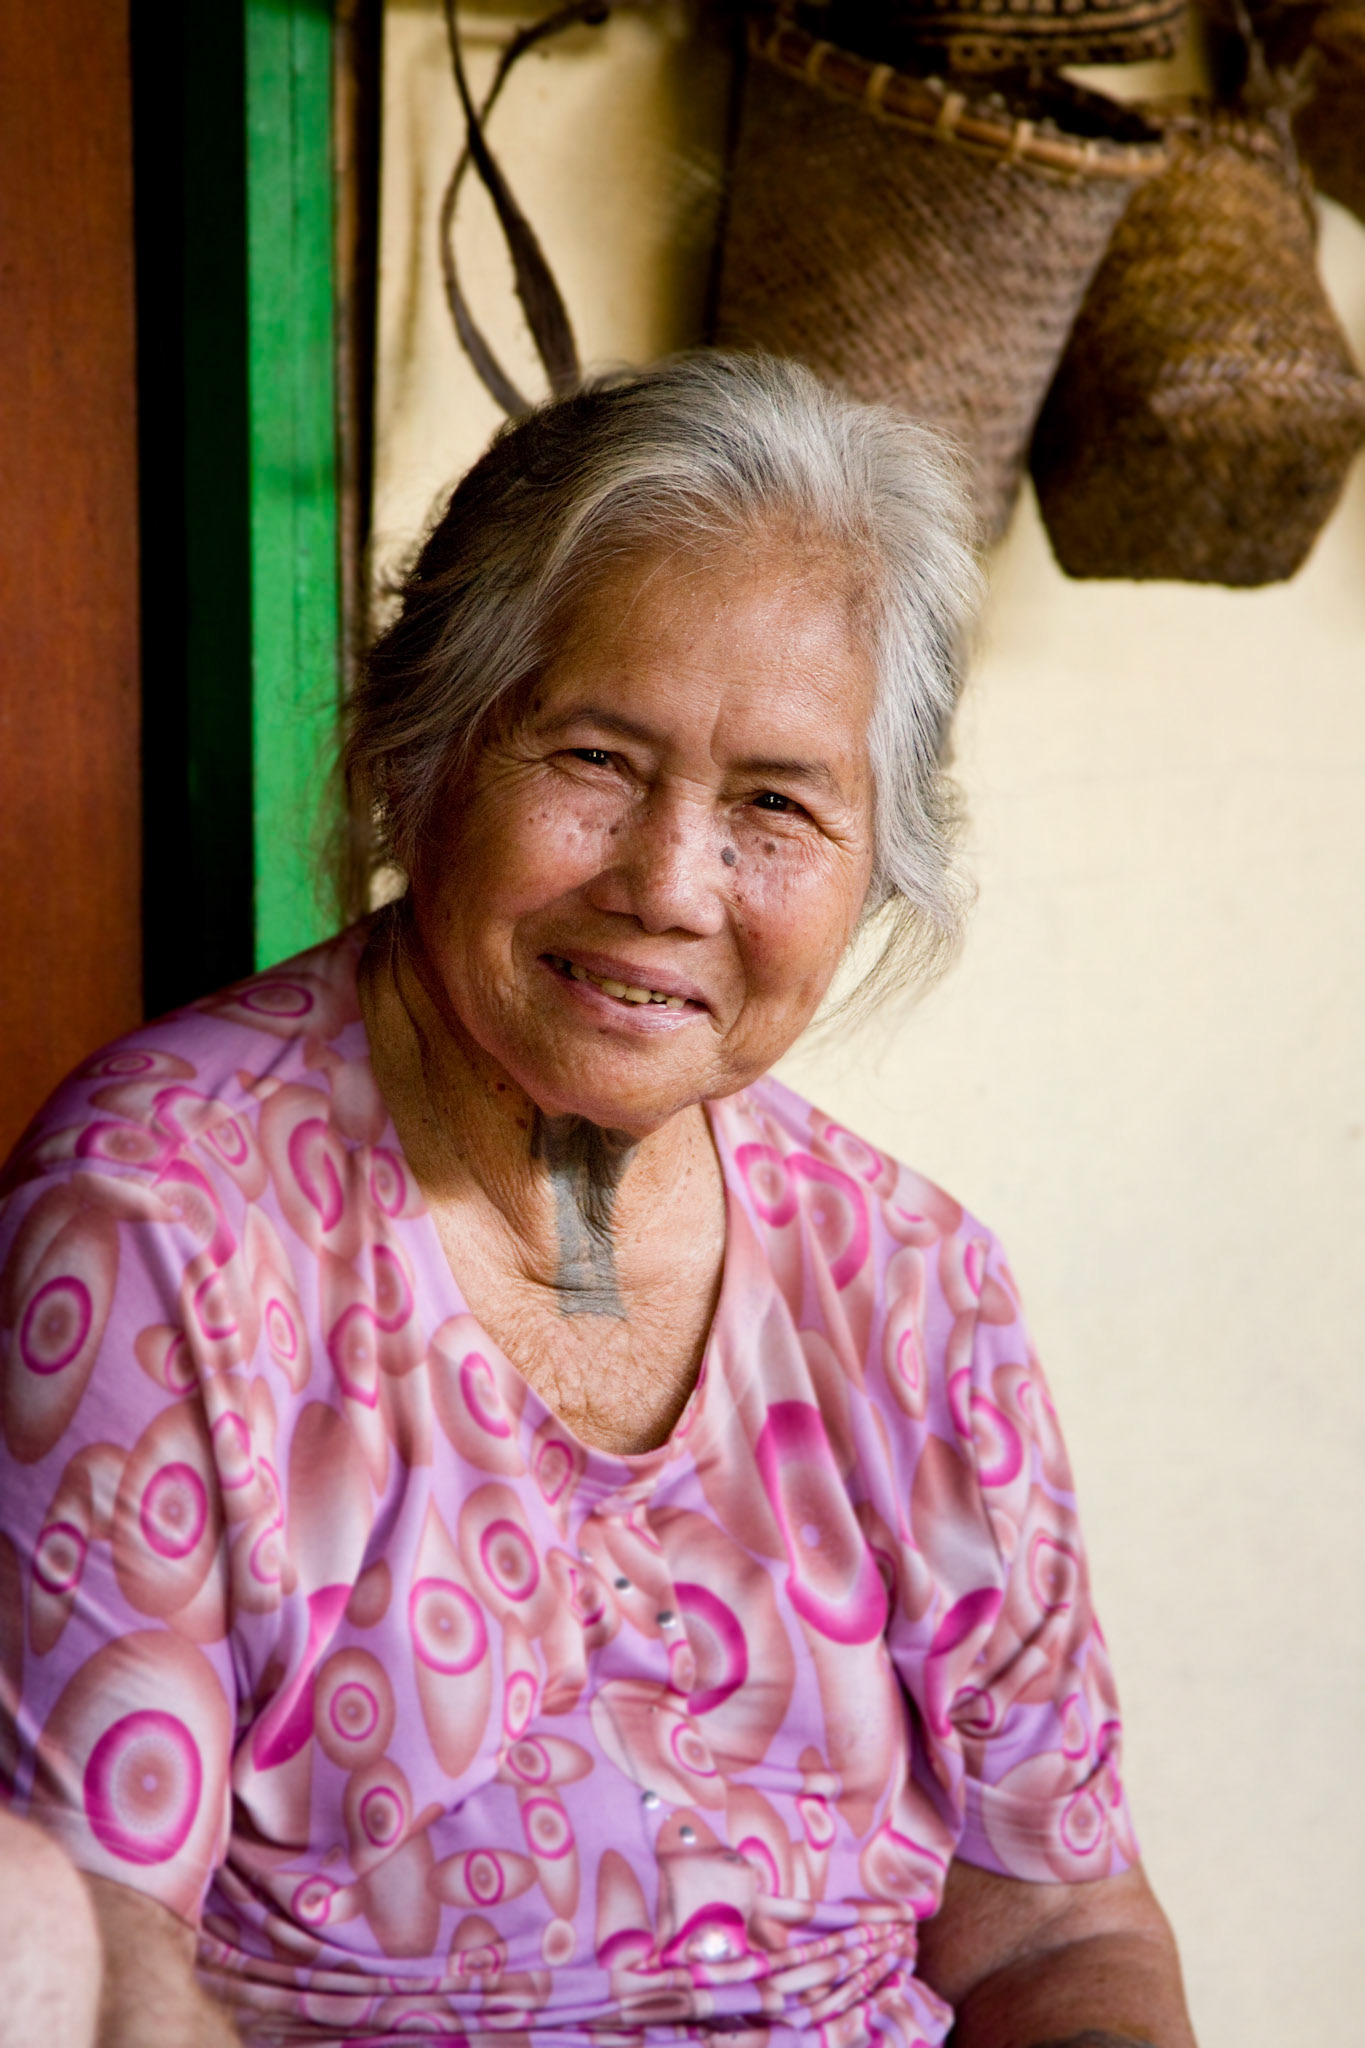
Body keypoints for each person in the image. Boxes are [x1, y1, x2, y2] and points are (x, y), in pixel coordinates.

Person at [0, 354, 1196, 2048]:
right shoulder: (163, 1226)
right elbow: (106, 1949)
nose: (666, 884)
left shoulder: (913, 1287)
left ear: (872, 863)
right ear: (426, 750)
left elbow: (1054, 1927)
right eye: (593, 758)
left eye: (776, 804)